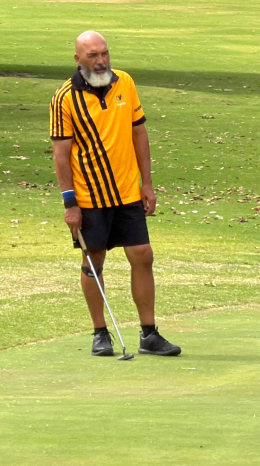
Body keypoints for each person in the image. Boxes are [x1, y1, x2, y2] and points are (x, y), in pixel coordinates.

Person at [49, 30, 182, 357]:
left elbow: (139, 134)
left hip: (126, 193)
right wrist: (70, 203)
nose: (101, 61)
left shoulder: (125, 83)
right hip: (89, 196)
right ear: (78, 59)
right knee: (93, 262)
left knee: (143, 255)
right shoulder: (64, 98)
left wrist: (146, 183)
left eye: (104, 53)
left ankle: (149, 333)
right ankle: (100, 333)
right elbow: (61, 155)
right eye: (93, 55)